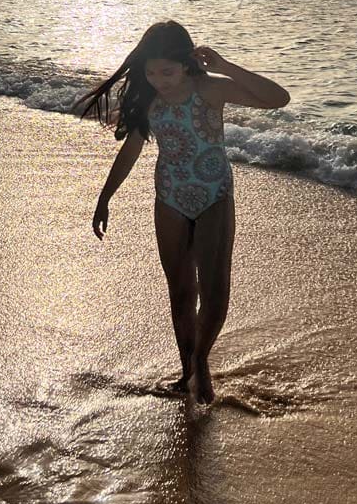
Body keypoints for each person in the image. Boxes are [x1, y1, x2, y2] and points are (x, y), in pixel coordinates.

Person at [77, 21, 290, 403]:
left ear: (187, 64)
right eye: (151, 71)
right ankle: (186, 368)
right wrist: (104, 197)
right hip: (170, 197)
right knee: (179, 291)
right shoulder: (148, 99)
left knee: (214, 293)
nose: (158, 80)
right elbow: (131, 150)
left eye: (167, 72)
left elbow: (278, 98)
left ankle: (202, 360)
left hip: (214, 196)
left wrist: (225, 64)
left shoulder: (210, 88)